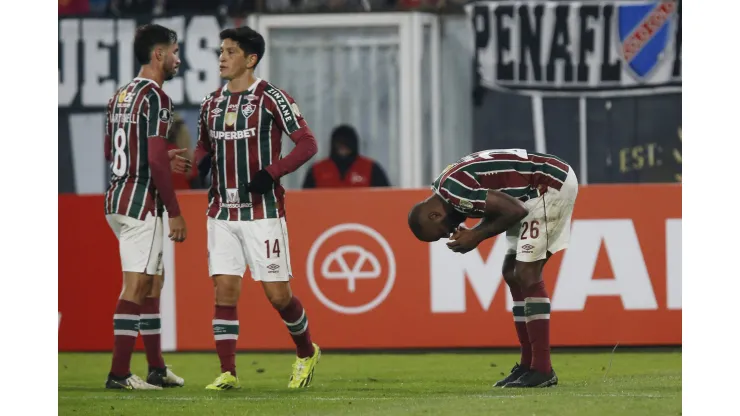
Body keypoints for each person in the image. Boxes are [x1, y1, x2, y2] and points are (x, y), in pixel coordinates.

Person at [194, 26, 321, 391]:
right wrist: (201, 161)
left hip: (262, 212)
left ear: (250, 59)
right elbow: (203, 145)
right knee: (225, 291)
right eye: (221, 51)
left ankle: (305, 351)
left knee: (278, 295)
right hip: (221, 212)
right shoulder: (211, 102)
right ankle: (228, 372)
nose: (221, 57)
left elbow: (307, 144)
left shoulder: (272, 98)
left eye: (230, 51)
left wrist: (272, 172)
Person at [407, 148, 578, 388]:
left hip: (548, 186)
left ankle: (542, 369)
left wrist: (477, 235)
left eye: (441, 232)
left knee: (526, 273)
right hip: (535, 188)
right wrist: (476, 233)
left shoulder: (455, 194)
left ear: (435, 215)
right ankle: (529, 365)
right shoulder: (445, 187)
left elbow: (515, 211)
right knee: (512, 273)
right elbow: (504, 206)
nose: (448, 233)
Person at [103, 24, 191, 390]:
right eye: (174, 52)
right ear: (158, 54)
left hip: (116, 198)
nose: (178, 59)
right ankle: (119, 374)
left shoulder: (120, 95)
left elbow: (113, 152)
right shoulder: (157, 98)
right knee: (137, 285)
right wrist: (174, 210)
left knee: (153, 281)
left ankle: (156, 367)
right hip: (142, 203)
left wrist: (160, 155)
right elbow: (153, 161)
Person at [302, 125, 390, 188]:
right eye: (339, 143)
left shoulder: (371, 168)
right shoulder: (317, 170)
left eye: (347, 143)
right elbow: (305, 201)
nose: (343, 147)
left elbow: (386, 199)